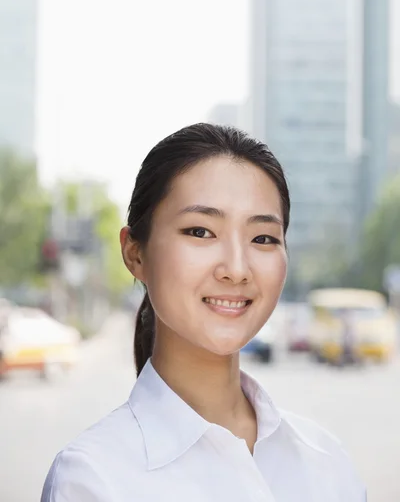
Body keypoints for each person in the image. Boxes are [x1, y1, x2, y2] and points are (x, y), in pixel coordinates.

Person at [41, 123, 366, 501]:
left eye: (262, 238)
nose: (237, 268)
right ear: (135, 253)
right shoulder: (93, 478)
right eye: (200, 231)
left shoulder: (326, 463)